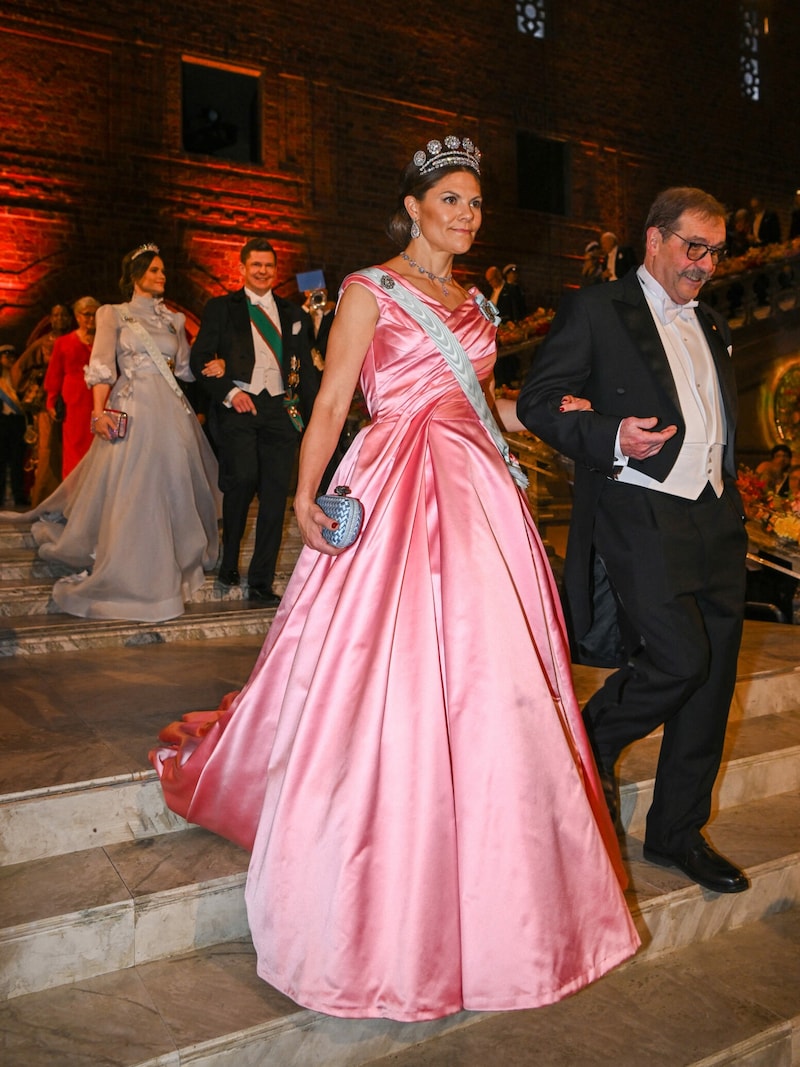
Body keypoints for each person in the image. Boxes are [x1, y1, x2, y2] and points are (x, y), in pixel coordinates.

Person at [150, 135, 639, 1022]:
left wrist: (557, 416)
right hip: (396, 484)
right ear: (412, 206)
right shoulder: (370, 290)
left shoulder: (475, 302)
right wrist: (302, 494)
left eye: (475, 202)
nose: (466, 214)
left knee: (496, 677)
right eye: (451, 199)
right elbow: (337, 398)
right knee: (390, 664)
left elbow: (479, 401)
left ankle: (503, 876)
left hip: (478, 490)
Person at [517, 186, 750, 896]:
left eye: (715, 251)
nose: (705, 264)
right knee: (678, 661)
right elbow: (537, 400)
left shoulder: (709, 323)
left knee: (709, 686)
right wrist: (610, 435)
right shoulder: (597, 309)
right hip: (641, 511)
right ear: (654, 239)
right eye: (693, 247)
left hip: (715, 518)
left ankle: (677, 831)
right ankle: (589, 739)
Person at [6, 244, 222, 622]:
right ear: (136, 274)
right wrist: (98, 412)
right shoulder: (113, 314)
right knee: (137, 486)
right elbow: (102, 365)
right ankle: (132, 563)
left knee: (171, 482)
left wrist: (216, 364)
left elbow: (186, 370)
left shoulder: (172, 319)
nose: (162, 276)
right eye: (154, 270)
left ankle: (173, 557)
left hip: (170, 410)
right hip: (133, 406)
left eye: (162, 270)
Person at [189, 237, 320, 604]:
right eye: (256, 265)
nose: (263, 271)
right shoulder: (221, 307)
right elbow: (200, 358)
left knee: (276, 498)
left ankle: (261, 581)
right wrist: (230, 392)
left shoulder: (294, 315)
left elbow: (305, 372)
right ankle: (229, 563)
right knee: (242, 481)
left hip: (280, 412)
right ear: (243, 268)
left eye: (269, 266)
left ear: (276, 271)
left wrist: (316, 419)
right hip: (240, 408)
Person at [11, 302, 72, 504]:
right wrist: (31, 386)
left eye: (63, 315)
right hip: (50, 403)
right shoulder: (44, 343)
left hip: (73, 399)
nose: (60, 319)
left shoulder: (77, 340)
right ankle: (46, 498)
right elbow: (19, 368)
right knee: (48, 449)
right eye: (55, 315)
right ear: (50, 319)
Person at [43, 296, 100, 477]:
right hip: (74, 403)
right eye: (87, 315)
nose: (91, 319)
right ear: (77, 317)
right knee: (75, 446)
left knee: (102, 444)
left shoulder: (105, 341)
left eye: (95, 315)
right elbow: (54, 373)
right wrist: (51, 400)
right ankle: (74, 496)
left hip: (102, 399)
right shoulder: (63, 342)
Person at [0, 344, 28, 506]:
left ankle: (19, 495)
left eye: (12, 356)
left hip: (17, 422)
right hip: (2, 422)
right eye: (5, 355)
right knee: (1, 461)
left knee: (18, 461)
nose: (9, 359)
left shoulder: (21, 378)